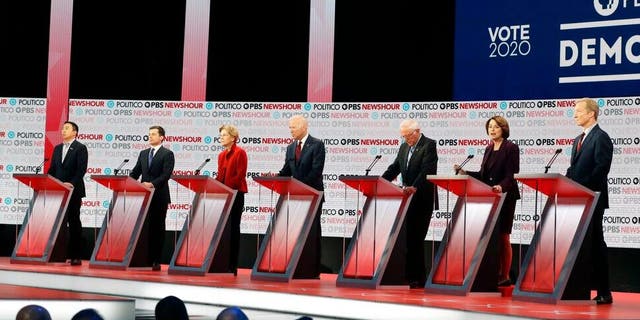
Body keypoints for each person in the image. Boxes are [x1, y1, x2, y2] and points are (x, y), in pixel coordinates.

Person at [454, 115, 520, 287]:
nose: (492, 129)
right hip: (490, 197)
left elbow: (512, 175)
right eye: (490, 126)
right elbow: (484, 176)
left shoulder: (511, 147)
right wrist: (465, 172)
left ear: (503, 129)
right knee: (491, 236)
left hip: (506, 197)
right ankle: (491, 272)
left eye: (496, 127)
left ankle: (504, 275)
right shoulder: (488, 148)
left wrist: (500, 186)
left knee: (503, 236)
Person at [565, 97, 613, 304]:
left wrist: (582, 188)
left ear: (591, 114)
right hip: (577, 199)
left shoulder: (601, 137)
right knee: (580, 246)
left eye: (578, 111)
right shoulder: (578, 139)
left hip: (593, 199)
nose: (574, 114)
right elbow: (573, 169)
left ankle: (605, 291)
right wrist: (566, 183)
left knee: (595, 245)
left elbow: (601, 169)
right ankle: (576, 288)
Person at [381, 119, 438, 289]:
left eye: (408, 136)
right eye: (403, 136)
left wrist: (414, 187)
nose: (406, 139)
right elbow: (395, 168)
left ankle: (418, 278)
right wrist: (380, 182)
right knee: (406, 239)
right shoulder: (404, 147)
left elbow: (427, 171)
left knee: (416, 239)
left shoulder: (429, 145)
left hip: (421, 199)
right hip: (405, 200)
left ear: (417, 131)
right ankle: (406, 275)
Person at [278, 115, 325, 278]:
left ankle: (312, 271)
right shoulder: (291, 147)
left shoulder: (317, 144)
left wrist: (299, 186)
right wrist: (275, 177)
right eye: (289, 128)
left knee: (312, 233)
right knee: (295, 232)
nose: (290, 130)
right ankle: (295, 266)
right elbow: (286, 171)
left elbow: (316, 171)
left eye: (293, 127)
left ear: (304, 127)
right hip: (296, 198)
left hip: (312, 196)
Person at [130, 125, 175, 271]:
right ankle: (145, 259)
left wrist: (152, 184)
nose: (150, 136)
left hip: (159, 196)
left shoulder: (167, 154)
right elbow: (136, 171)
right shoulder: (143, 153)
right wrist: (128, 181)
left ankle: (156, 260)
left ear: (161, 137)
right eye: (149, 134)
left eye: (153, 134)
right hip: (144, 197)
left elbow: (166, 175)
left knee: (158, 228)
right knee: (145, 228)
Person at [47, 121, 88, 266]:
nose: (63, 131)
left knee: (74, 221)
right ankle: (57, 255)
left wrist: (71, 183)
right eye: (63, 128)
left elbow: (81, 170)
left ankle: (75, 256)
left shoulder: (80, 148)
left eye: (66, 128)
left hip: (73, 191)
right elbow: (53, 169)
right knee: (57, 223)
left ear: (75, 132)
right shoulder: (57, 148)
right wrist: (47, 181)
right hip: (58, 191)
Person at [216, 124, 248, 276]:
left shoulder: (240, 153)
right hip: (224, 196)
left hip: (236, 195)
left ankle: (232, 265)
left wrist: (228, 190)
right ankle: (221, 263)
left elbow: (239, 176)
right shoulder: (221, 155)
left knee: (233, 229)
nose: (221, 137)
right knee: (223, 230)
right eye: (220, 135)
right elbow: (220, 176)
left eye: (224, 135)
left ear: (233, 138)